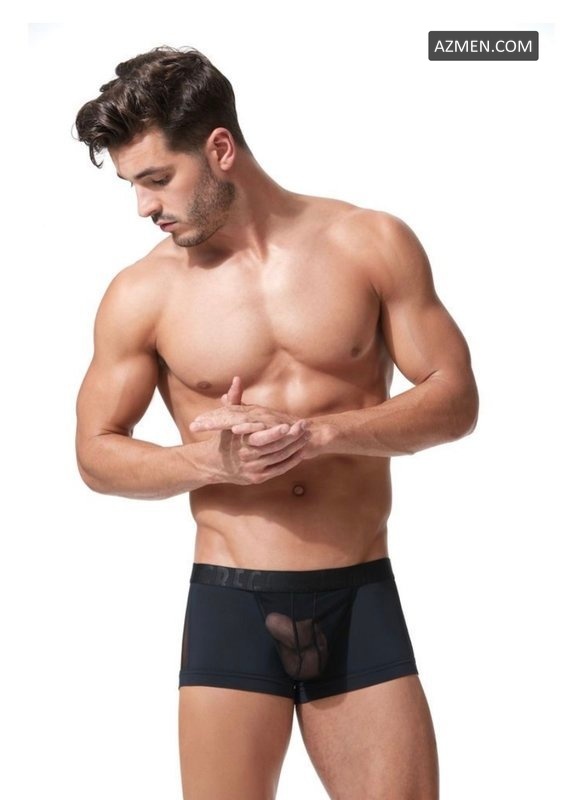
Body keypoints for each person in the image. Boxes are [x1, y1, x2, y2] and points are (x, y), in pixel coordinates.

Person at [74, 45, 478, 800]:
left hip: (358, 594)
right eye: (132, 186)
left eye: (156, 179)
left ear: (219, 149)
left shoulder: (368, 243)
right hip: (231, 598)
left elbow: (455, 400)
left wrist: (321, 434)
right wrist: (207, 464)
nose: (144, 208)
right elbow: (95, 454)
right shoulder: (141, 294)